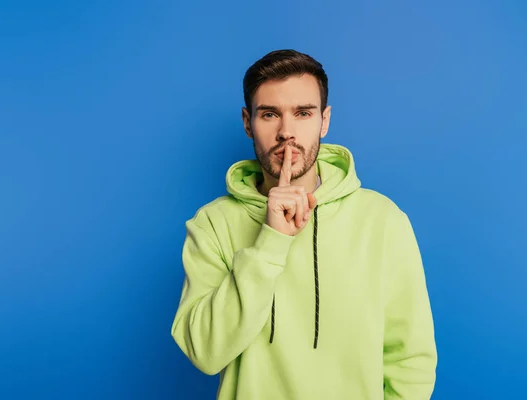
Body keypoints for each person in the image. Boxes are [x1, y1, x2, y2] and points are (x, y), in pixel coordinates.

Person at [170, 49, 437, 399]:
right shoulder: (212, 224)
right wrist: (270, 242)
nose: (286, 132)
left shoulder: (383, 220)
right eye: (269, 114)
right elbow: (204, 351)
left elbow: (411, 360)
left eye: (303, 113)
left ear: (324, 120)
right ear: (248, 123)